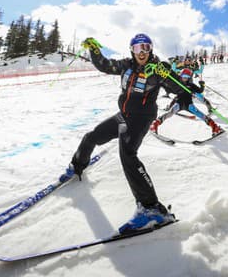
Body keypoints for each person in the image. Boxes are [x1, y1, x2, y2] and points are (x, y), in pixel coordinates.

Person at [70, 33, 184, 233]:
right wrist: (95, 51)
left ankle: (151, 209)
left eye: (146, 48)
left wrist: (165, 73)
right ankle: (76, 166)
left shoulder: (157, 69)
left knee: (128, 154)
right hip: (124, 115)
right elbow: (106, 65)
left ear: (151, 49)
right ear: (132, 50)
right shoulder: (126, 65)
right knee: (92, 136)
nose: (142, 52)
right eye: (138, 48)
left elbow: (179, 89)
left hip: (142, 117)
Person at [150, 68, 223, 136]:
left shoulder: (191, 85)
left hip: (189, 105)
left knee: (200, 115)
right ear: (180, 75)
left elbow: (200, 91)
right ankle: (155, 124)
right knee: (169, 113)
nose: (185, 78)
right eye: (184, 76)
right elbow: (170, 89)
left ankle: (215, 127)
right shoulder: (177, 84)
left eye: (187, 76)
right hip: (179, 103)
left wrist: (202, 85)